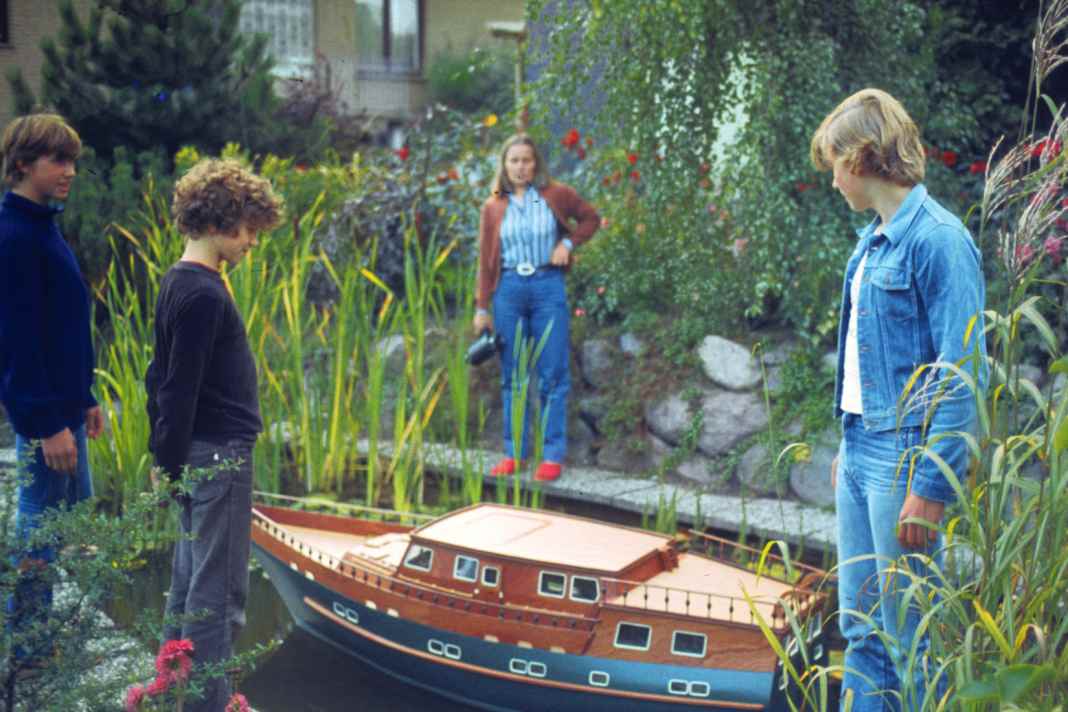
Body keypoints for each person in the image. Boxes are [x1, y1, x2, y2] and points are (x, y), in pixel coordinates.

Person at [811, 89, 987, 711]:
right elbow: (870, 355)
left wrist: (932, 487)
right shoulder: (872, 240)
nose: (832, 179)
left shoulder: (938, 240)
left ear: (860, 158)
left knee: (912, 633)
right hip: (861, 450)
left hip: (906, 459)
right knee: (860, 628)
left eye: (834, 163)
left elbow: (963, 372)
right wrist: (850, 438)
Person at [146, 158, 281, 710]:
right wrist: (172, 463)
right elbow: (177, 388)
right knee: (217, 596)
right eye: (248, 228)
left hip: (198, 453)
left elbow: (158, 379)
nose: (252, 241)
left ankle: (168, 694)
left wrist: (166, 459)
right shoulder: (203, 294)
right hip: (219, 455)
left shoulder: (180, 281)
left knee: (188, 588)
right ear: (222, 220)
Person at [0, 113, 104, 671]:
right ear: (22, 164)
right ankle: (30, 654)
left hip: (65, 407)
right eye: (56, 160)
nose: (69, 171)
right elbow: (16, 342)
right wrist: (44, 425)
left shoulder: (42, 224)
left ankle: (44, 638)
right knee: (39, 525)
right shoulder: (14, 236)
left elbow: (62, 324)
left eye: (73, 161)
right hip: (45, 415)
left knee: (69, 518)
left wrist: (84, 396)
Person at [473, 134, 599, 482]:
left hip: (547, 286)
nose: (520, 167)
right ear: (504, 165)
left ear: (536, 163)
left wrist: (569, 242)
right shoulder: (493, 206)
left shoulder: (556, 194)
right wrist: (482, 308)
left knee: (553, 372)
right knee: (513, 375)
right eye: (513, 161)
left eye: (526, 160)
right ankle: (515, 453)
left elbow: (591, 218)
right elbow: (485, 260)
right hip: (509, 290)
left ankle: (552, 455)